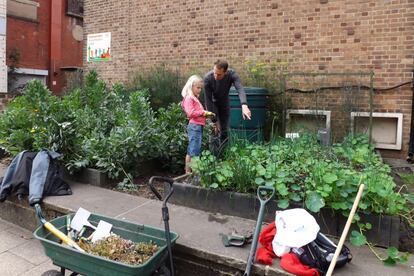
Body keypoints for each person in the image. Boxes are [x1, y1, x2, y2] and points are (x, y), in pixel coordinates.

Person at [204, 59, 251, 145]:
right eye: (214, 72)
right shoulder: (208, 78)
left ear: (225, 72)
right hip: (212, 105)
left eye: (219, 74)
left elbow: (240, 89)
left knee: (224, 131)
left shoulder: (232, 75)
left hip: (224, 104)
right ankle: (213, 155)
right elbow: (208, 101)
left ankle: (224, 155)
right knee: (214, 131)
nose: (215, 76)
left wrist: (244, 105)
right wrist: (214, 121)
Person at [181, 75, 215, 174]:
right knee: (194, 151)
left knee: (192, 149)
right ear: (191, 86)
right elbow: (190, 113)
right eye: (198, 87)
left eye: (201, 88)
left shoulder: (194, 98)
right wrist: (203, 112)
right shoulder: (189, 98)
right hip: (194, 126)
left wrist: (207, 116)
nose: (200, 90)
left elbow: (198, 113)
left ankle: (188, 173)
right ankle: (194, 173)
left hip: (197, 126)